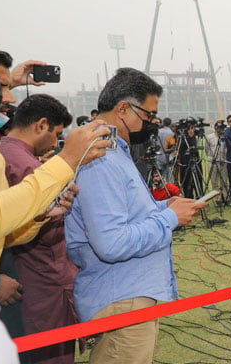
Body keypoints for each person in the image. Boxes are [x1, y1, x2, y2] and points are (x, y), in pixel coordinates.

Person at [65, 68, 206, 364]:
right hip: (122, 298)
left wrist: (164, 209)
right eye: (148, 115)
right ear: (124, 109)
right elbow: (112, 243)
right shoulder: (100, 157)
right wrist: (169, 219)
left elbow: (127, 216)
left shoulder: (115, 150)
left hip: (128, 295)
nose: (152, 122)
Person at [0, 43, 110, 290]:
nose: (9, 98)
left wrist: (38, 216)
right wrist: (67, 159)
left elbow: (2, 231)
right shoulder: (19, 160)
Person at [0, 94, 78, 364]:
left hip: (26, 276)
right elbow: (45, 228)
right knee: (50, 354)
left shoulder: (3, 151)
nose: (56, 143)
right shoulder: (27, 166)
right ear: (41, 125)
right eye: (56, 134)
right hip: (41, 281)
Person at [206, 120, 229, 204]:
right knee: (214, 181)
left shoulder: (225, 137)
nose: (221, 130)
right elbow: (207, 149)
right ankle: (218, 199)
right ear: (216, 128)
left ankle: (226, 198)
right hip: (212, 161)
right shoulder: (209, 137)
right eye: (219, 128)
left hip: (223, 161)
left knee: (224, 181)